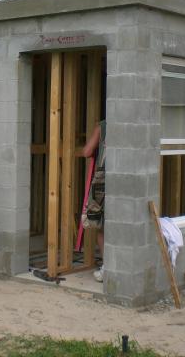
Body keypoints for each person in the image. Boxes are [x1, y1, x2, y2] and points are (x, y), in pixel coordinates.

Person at [81, 120, 106, 282]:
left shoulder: (103, 126)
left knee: (102, 226)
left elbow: (86, 152)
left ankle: (107, 267)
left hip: (104, 182)